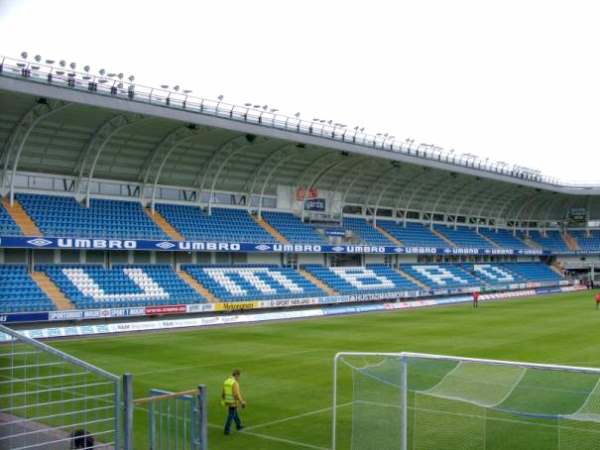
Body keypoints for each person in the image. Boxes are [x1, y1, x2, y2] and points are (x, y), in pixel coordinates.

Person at [222, 369, 246, 435]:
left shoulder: (226, 381)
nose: (239, 378)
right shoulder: (234, 383)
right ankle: (226, 430)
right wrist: (242, 402)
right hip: (233, 401)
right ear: (236, 375)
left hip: (228, 400)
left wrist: (224, 400)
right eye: (239, 376)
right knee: (231, 415)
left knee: (234, 413)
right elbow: (236, 394)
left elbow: (223, 392)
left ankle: (238, 425)